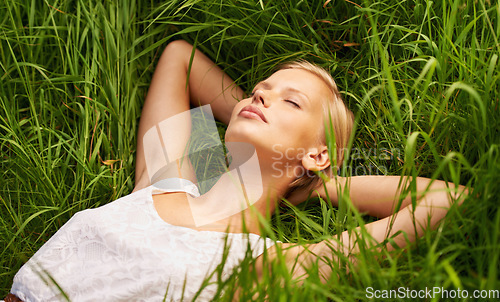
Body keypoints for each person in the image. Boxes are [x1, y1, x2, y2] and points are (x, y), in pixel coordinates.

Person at [4, 40, 468, 302]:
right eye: (259, 90)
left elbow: (450, 199)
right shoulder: (164, 181)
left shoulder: (272, 267)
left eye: (291, 100)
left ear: (319, 155)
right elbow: (181, 59)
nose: (262, 95)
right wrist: (254, 117)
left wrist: (319, 183)